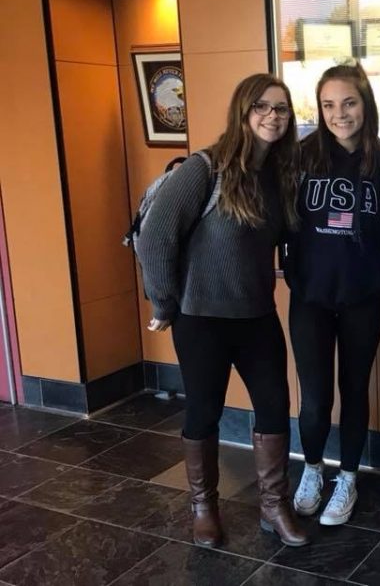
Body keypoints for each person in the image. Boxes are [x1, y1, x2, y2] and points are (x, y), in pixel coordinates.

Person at [137, 73, 308, 549]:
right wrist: (165, 301)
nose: (273, 116)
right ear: (242, 111)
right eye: (262, 107)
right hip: (201, 318)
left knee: (275, 406)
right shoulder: (204, 168)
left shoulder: (278, 175)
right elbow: (155, 236)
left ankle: (275, 507)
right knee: (204, 411)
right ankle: (203, 508)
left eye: (281, 109)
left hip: (256, 316)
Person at [284, 63, 380, 526]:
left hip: (363, 297)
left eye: (348, 102)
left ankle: (347, 477)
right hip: (309, 297)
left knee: (354, 388)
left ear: (365, 104)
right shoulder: (301, 156)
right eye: (328, 105)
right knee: (313, 397)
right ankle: (312, 469)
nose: (339, 114)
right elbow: (282, 221)